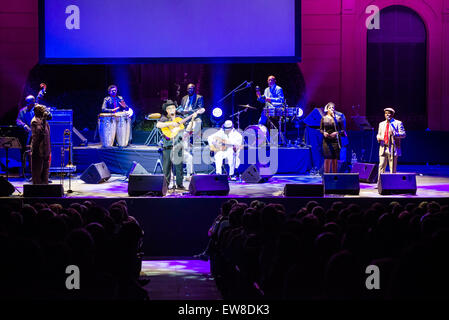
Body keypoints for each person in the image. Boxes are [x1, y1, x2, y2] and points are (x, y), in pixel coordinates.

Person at [156, 100, 186, 190]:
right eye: (169, 108)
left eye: (173, 107)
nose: (172, 109)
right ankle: (166, 185)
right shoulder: (164, 118)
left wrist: (192, 118)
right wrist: (171, 123)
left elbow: (187, 128)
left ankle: (180, 185)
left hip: (178, 146)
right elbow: (158, 125)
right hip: (167, 146)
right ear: (166, 110)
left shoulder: (180, 118)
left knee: (179, 167)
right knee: (166, 168)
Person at [376, 107, 406, 182]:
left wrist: (395, 134)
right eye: (386, 113)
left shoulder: (397, 123)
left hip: (393, 148)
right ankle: (380, 183)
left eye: (389, 113)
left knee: (392, 167)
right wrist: (380, 137)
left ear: (392, 114)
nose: (387, 115)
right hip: (383, 147)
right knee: (381, 165)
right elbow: (378, 135)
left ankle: (391, 183)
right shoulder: (381, 124)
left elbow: (403, 134)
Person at [320, 102, 346, 173]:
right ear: (327, 109)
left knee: (335, 159)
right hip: (326, 141)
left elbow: (343, 130)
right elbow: (321, 129)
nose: (332, 109)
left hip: (335, 141)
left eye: (333, 108)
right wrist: (324, 133)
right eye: (330, 108)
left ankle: (334, 177)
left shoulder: (338, 118)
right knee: (327, 158)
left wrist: (336, 132)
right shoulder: (324, 118)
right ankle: (326, 177)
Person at [30, 104, 52, 184]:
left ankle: (45, 185)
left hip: (45, 149)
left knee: (45, 170)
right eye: (43, 110)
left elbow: (47, 135)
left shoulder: (44, 121)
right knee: (37, 170)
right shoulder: (35, 121)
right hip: (38, 149)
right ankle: (37, 189)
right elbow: (38, 134)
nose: (45, 112)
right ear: (39, 111)